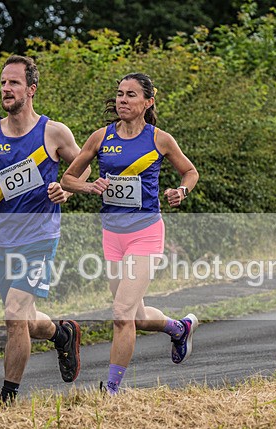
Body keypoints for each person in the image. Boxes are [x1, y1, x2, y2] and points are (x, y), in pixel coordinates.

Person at [61, 72, 200, 395]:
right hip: (112, 236)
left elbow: (190, 172)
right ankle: (179, 328)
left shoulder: (159, 139)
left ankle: (111, 389)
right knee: (134, 314)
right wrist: (89, 186)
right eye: (120, 94)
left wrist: (182, 191)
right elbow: (68, 179)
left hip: (146, 233)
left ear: (148, 102)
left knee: (122, 313)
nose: (123, 100)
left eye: (131, 95)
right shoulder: (100, 138)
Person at [0, 55, 89, 405]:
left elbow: (80, 174)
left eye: (14, 82)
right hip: (1, 238)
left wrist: (65, 189)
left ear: (31, 89)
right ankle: (62, 334)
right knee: (26, 320)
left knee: (13, 314)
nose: (6, 88)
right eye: (3, 82)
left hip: (40, 237)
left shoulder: (54, 132)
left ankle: (7, 396)